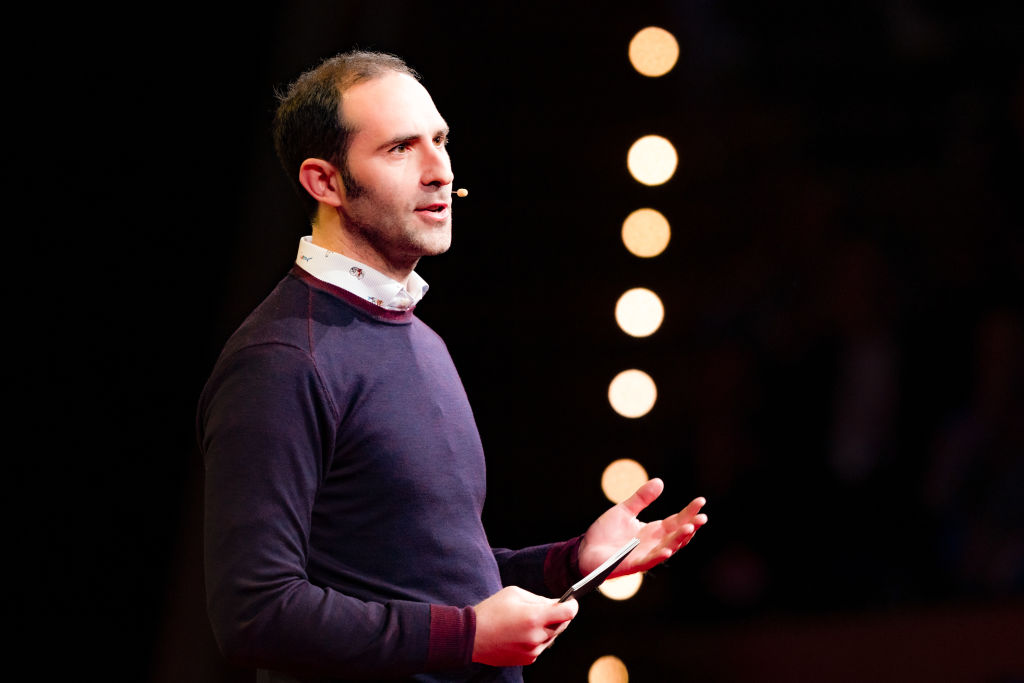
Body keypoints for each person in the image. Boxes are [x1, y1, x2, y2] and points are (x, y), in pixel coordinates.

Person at [197, 50, 708, 683]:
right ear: (324, 183)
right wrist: (467, 637)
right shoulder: (281, 361)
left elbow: (425, 576)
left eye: (440, 140)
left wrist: (572, 562)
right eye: (400, 149)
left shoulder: (420, 338)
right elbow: (255, 614)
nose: (440, 171)